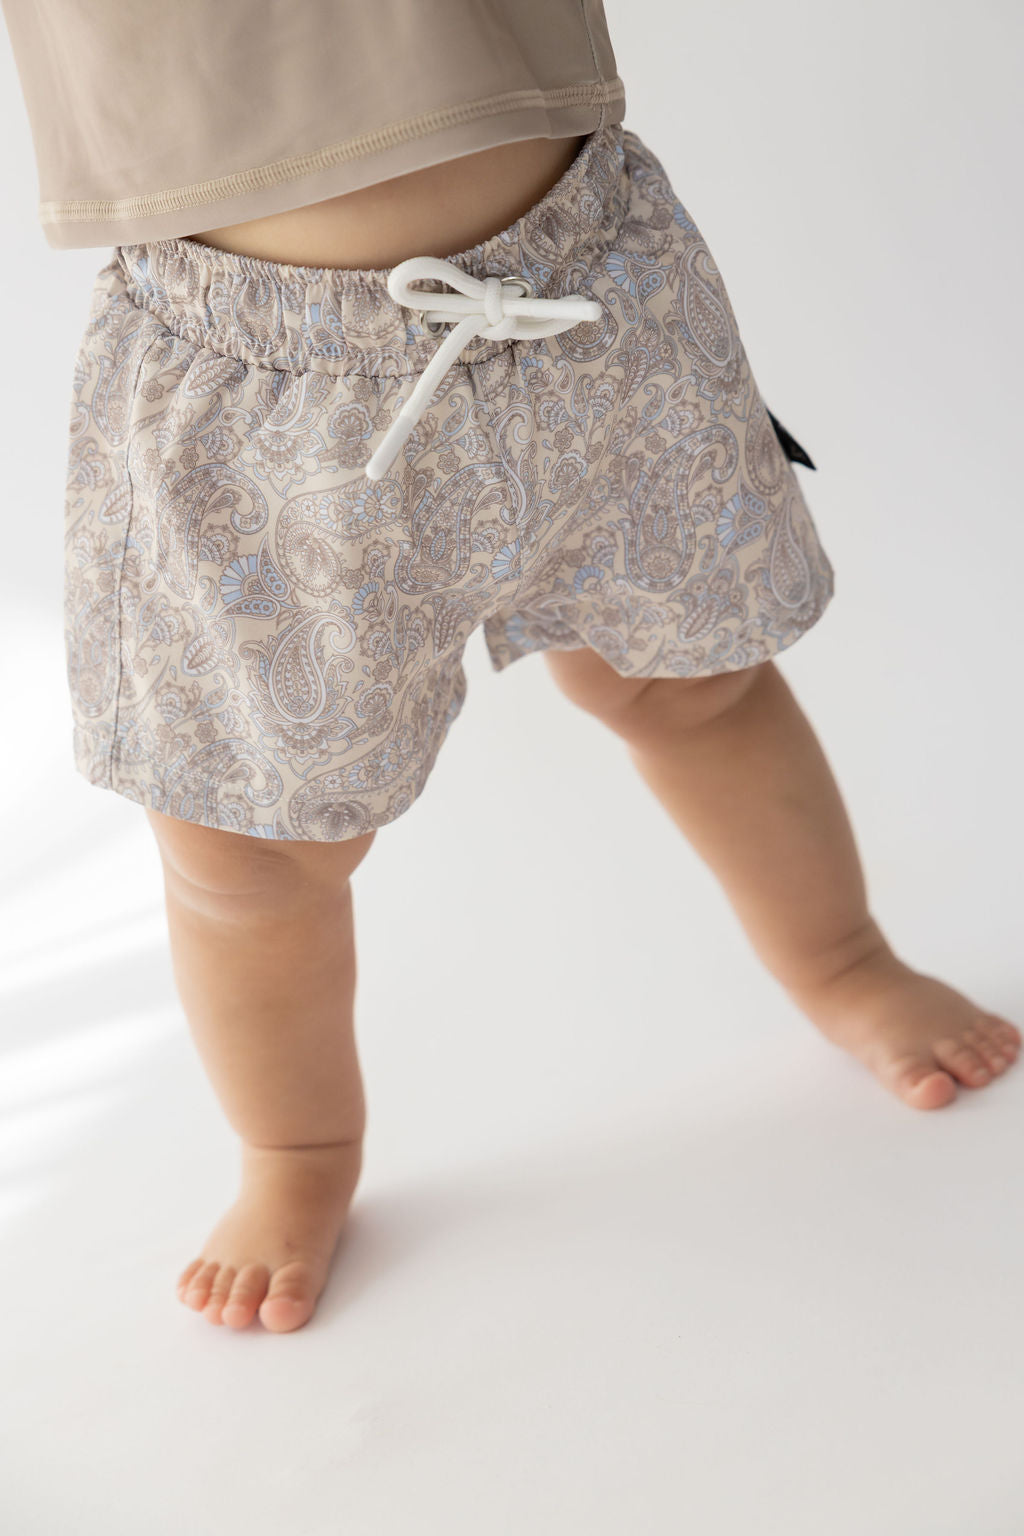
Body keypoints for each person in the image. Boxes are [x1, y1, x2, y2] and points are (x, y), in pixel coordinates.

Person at [2, 0, 1018, 1336]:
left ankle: (843, 958)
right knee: (246, 852)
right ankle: (298, 1146)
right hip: (260, 392)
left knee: (692, 683)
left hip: (587, 297)